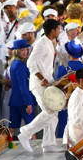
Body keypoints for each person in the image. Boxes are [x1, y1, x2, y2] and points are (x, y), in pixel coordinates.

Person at [17, 19, 63, 152]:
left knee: (53, 113)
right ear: (53, 30)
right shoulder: (42, 43)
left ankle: (49, 144)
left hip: (47, 83)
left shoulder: (49, 42)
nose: (60, 31)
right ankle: (25, 133)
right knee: (49, 111)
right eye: (58, 29)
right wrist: (41, 78)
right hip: (39, 84)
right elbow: (31, 62)